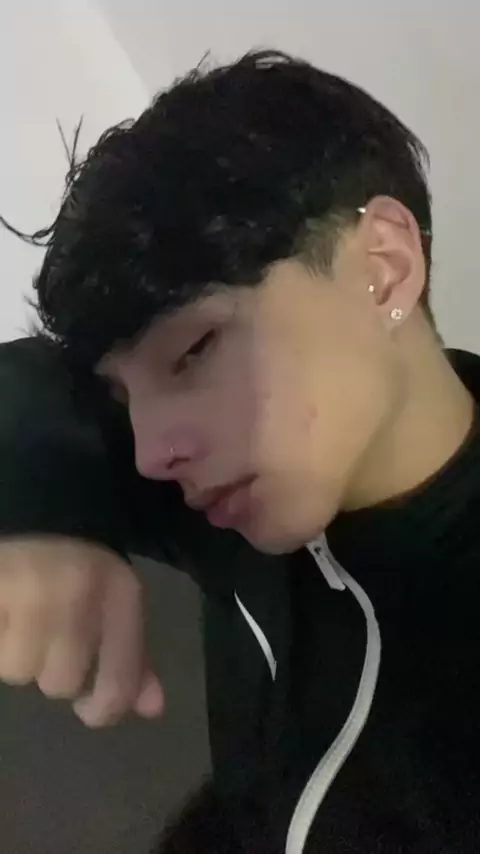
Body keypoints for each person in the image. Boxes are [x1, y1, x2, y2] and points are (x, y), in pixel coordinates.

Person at [0, 49, 479, 853]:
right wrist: (38, 497)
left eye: (195, 351)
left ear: (384, 268)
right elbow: (30, 380)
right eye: (123, 397)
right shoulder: (235, 484)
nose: (150, 453)